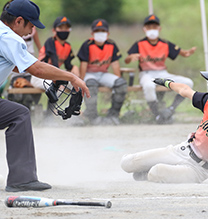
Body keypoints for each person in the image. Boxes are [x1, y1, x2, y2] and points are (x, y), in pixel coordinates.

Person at [0, 0, 89, 192]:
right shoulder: (10, 38)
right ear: (18, 21)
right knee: (19, 114)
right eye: (31, 25)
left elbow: (19, 65)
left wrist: (54, 75)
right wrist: (72, 77)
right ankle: (21, 179)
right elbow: (36, 68)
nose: (32, 30)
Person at [125, 14, 196, 124]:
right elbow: (127, 59)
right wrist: (130, 58)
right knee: (149, 86)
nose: (152, 30)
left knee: (188, 83)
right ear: (145, 29)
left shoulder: (165, 44)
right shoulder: (140, 44)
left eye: (155, 27)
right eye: (149, 27)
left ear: (159, 28)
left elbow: (182, 53)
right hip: (146, 74)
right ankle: (157, 114)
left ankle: (170, 109)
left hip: (163, 73)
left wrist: (188, 52)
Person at [77, 18, 127, 125]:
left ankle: (113, 114)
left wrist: (116, 83)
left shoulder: (111, 44)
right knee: (91, 85)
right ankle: (92, 116)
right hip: (90, 74)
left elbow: (115, 64)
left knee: (121, 84)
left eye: (103, 31)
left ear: (108, 33)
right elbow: (83, 65)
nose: (100, 34)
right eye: (97, 31)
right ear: (92, 33)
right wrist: (81, 81)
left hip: (103, 74)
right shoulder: (87, 45)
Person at [31, 16, 79, 89]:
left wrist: (74, 68)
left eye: (66, 28)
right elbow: (54, 63)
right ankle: (53, 101)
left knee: (76, 84)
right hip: (39, 75)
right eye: (61, 28)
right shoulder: (51, 42)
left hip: (53, 75)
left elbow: (68, 65)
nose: (64, 30)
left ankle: (81, 100)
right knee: (57, 86)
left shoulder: (67, 46)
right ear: (54, 30)